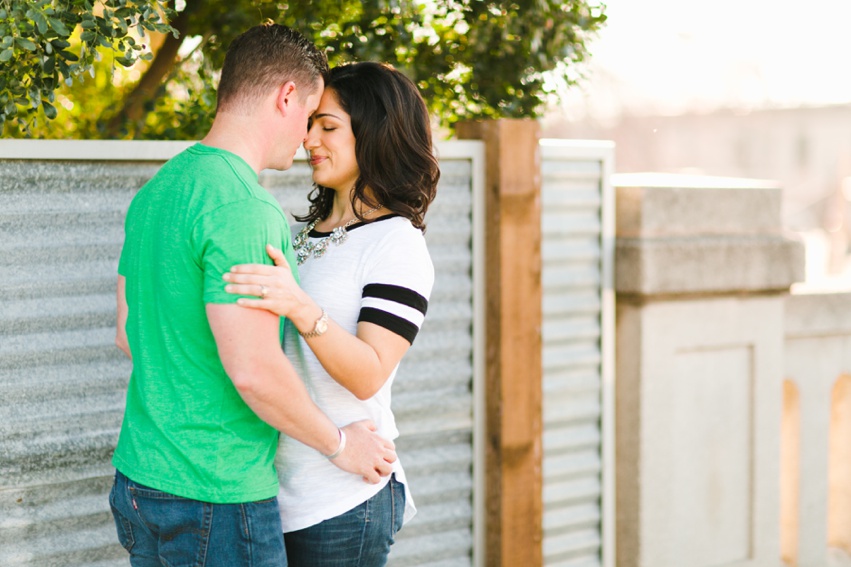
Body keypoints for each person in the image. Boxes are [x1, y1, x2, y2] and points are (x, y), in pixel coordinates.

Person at [110, 24, 396, 567]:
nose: (308, 137)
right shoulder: (246, 207)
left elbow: (129, 333)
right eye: (310, 116)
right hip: (215, 493)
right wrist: (341, 443)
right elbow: (254, 370)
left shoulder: (157, 192)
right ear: (287, 96)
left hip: (139, 480)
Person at [221, 61, 440, 566]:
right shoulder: (307, 235)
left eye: (329, 126)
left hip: (343, 499)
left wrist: (301, 307)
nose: (309, 138)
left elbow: (368, 373)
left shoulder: (396, 243)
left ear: (375, 133)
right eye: (310, 123)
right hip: (278, 489)